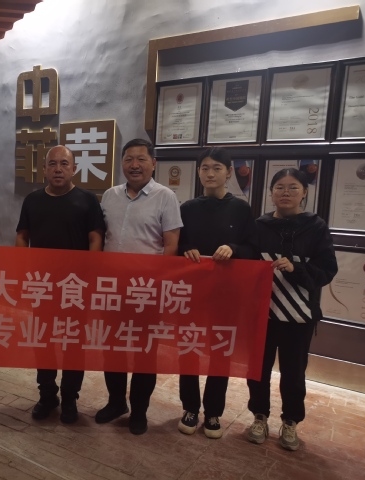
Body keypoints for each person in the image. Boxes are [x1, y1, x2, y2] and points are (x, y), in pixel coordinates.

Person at [95, 138, 183, 435]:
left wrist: (157, 284)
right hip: (112, 289)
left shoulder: (165, 196)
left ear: (153, 163)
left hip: (146, 290)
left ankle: (139, 411)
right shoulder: (110, 195)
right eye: (128, 159)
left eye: (141, 159)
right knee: (112, 349)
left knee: (145, 352)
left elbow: (171, 245)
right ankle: (116, 402)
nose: (134, 165)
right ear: (121, 163)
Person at [247, 168, 337, 451]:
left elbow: (327, 269)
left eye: (293, 187)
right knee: (258, 369)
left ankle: (291, 421)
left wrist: (295, 268)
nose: (285, 193)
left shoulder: (316, 227)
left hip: (299, 316)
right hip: (262, 314)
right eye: (279, 187)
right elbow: (246, 263)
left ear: (305, 192)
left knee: (294, 372)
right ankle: (259, 416)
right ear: (271, 192)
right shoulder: (259, 225)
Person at [16, 145, 105, 424]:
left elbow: (95, 239)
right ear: (44, 169)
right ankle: (47, 395)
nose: (58, 169)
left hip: (75, 287)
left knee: (73, 344)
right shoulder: (32, 200)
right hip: (42, 286)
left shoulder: (87, 200)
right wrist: (23, 271)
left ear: (74, 169)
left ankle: (69, 398)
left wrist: (90, 275)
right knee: (42, 341)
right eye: (52, 164)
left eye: (64, 164)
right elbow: (22, 237)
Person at [176, 147, 257, 439]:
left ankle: (213, 412)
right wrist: (186, 250)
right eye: (205, 168)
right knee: (189, 349)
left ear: (229, 172)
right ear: (199, 172)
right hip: (192, 293)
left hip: (226, 295)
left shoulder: (242, 209)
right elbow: (177, 245)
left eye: (217, 168)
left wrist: (233, 249)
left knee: (220, 352)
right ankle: (189, 407)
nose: (210, 174)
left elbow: (253, 250)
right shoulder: (187, 208)